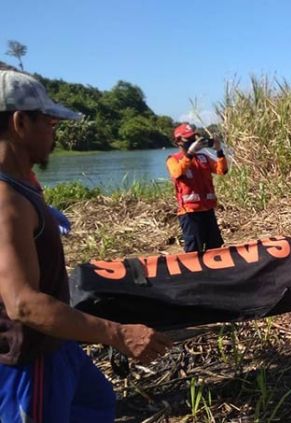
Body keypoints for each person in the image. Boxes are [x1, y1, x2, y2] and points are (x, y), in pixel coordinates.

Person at [0, 70, 172, 422]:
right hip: (29, 361)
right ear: (20, 123)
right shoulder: (7, 202)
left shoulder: (20, 186)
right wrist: (118, 333)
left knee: (95, 403)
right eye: (49, 122)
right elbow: (23, 305)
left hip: (57, 346)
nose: (55, 134)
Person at [167, 123, 228, 252]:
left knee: (215, 246)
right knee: (194, 249)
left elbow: (222, 170)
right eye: (188, 139)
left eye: (194, 138)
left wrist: (219, 150)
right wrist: (190, 154)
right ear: (178, 141)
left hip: (207, 209)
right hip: (190, 213)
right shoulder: (173, 159)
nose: (192, 141)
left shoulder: (202, 158)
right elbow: (177, 172)